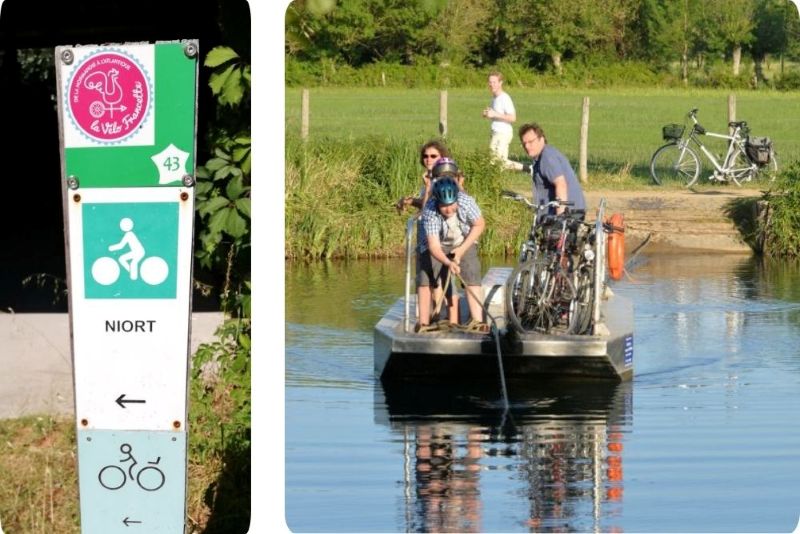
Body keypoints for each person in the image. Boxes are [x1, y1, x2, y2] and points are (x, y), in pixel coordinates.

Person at [417, 172, 488, 334]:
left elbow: (479, 225)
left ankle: (478, 321)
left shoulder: (466, 202)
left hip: (463, 240)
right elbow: (434, 246)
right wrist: (448, 262)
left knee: (471, 274)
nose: (448, 209)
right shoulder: (429, 212)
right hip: (436, 244)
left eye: (451, 205)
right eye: (444, 206)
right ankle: (424, 323)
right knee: (426, 277)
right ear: (437, 202)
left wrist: (460, 251)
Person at [396, 142, 458, 325]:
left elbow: (429, 207)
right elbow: (427, 203)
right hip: (427, 234)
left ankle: (441, 316)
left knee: (437, 278)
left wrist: (428, 186)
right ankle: (435, 315)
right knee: (431, 278)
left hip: (438, 236)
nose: (428, 159)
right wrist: (410, 201)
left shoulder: (442, 179)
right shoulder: (431, 178)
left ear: (442, 157)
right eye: (425, 156)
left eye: (433, 156)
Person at [518, 122, 586, 220]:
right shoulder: (547, 154)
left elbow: (561, 184)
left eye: (530, 142)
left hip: (568, 213)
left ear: (541, 139)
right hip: (572, 211)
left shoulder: (547, 157)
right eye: (524, 143)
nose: (527, 146)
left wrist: (560, 219)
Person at [482, 71, 524, 172]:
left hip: (502, 133)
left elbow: (513, 118)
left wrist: (494, 114)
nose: (491, 85)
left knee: (493, 160)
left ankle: (493, 179)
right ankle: (529, 169)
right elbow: (496, 116)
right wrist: (487, 114)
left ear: (500, 83)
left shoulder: (504, 98)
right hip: (496, 132)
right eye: (490, 82)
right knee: (502, 163)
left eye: (494, 82)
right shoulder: (495, 98)